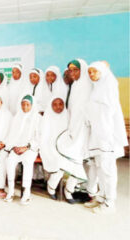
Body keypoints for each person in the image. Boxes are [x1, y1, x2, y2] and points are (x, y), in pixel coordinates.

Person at [84, 61, 128, 213]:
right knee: (99, 169)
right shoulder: (98, 88)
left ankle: (110, 203)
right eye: (89, 72)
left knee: (108, 170)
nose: (91, 75)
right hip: (98, 136)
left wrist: (106, 137)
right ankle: (101, 198)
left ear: (102, 72)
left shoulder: (108, 87)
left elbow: (107, 116)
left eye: (94, 72)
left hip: (107, 137)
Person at [56, 59, 92, 204]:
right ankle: (71, 189)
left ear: (82, 70)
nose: (72, 73)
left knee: (82, 160)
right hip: (73, 129)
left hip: (84, 129)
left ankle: (75, 189)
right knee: (75, 158)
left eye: (75, 70)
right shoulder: (76, 85)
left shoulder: (88, 85)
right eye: (70, 70)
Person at [39, 97, 87, 201]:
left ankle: (68, 190)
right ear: (50, 106)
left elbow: (72, 134)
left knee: (77, 162)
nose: (58, 107)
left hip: (65, 147)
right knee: (60, 164)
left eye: (60, 104)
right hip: (50, 148)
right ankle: (51, 187)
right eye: (55, 104)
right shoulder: (47, 118)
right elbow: (43, 138)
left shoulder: (67, 116)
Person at [4, 95, 40, 205]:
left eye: (28, 105)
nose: (25, 107)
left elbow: (39, 137)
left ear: (32, 106)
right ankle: (10, 191)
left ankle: (26, 192)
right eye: (23, 104)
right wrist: (13, 147)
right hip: (16, 148)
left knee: (27, 162)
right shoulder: (17, 117)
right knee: (9, 161)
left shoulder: (37, 118)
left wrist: (27, 147)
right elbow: (11, 135)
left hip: (29, 148)